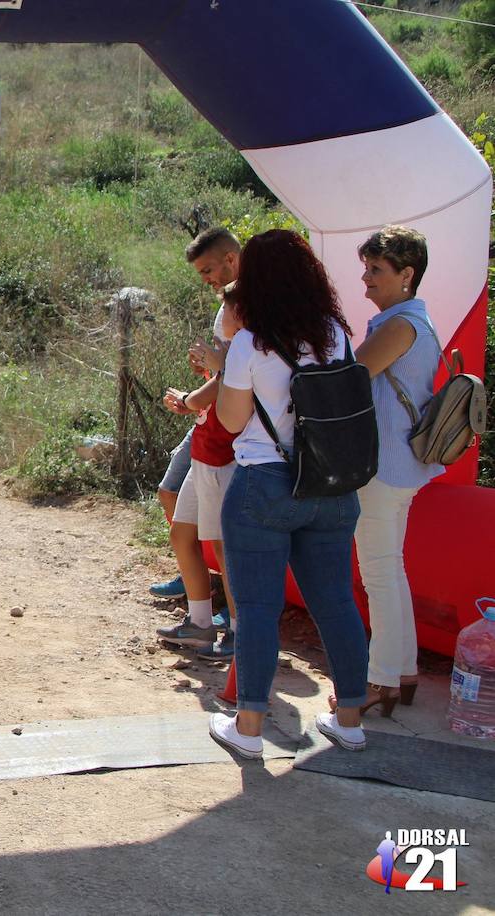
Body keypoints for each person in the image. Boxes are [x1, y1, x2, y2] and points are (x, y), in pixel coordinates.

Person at [195, 229, 371, 758]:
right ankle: (352, 721)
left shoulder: (251, 342)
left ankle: (248, 728)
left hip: (264, 482)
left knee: (255, 607)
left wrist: (221, 373)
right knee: (337, 601)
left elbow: (230, 419)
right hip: (330, 483)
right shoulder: (335, 333)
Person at [351, 226, 442, 714]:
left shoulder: (399, 325)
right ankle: (401, 673)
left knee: (380, 575)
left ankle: (382, 679)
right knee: (390, 570)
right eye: (366, 268)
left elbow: (350, 379)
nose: (365, 279)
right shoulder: (411, 321)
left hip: (383, 469)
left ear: (407, 275)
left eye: (376, 270)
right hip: (399, 467)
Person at [148, 228, 240, 604]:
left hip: (224, 423)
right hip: (209, 415)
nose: (204, 279)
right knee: (170, 492)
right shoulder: (228, 298)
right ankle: (200, 582)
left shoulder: (248, 301)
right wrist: (206, 369)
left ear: (231, 259)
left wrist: (190, 400)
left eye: (207, 270)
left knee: (221, 536)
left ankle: (221, 601)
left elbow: (235, 372)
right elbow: (225, 367)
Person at [158, 283, 243, 661]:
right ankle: (200, 624)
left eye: (226, 307)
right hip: (205, 452)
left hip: (223, 457)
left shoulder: (252, 348)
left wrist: (188, 400)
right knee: (182, 532)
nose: (220, 314)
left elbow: (229, 387)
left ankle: (240, 632)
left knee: (226, 550)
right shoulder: (231, 349)